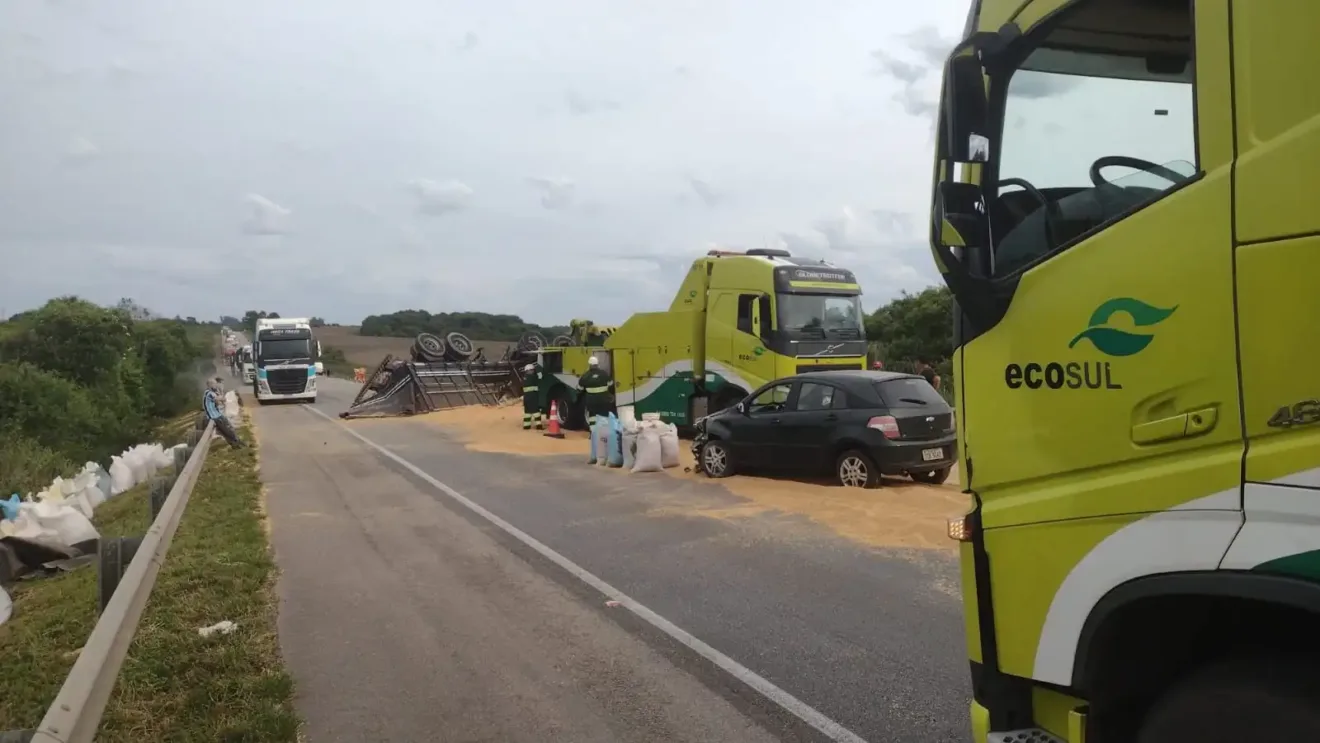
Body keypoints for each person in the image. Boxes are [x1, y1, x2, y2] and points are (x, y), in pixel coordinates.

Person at [203, 378, 244, 448]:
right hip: (214, 416)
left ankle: (235, 442)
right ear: (210, 385)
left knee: (227, 428)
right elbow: (219, 399)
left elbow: (219, 401)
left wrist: (220, 398)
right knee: (227, 428)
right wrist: (221, 397)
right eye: (214, 384)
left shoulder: (211, 392)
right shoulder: (209, 393)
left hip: (217, 415)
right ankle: (236, 442)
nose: (216, 385)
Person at [577, 356, 615, 420]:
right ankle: (604, 429)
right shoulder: (604, 374)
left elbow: (579, 389)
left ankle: (593, 428)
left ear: (589, 365)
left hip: (591, 402)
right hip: (603, 401)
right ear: (597, 364)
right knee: (604, 417)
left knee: (592, 418)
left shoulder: (585, 375)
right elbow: (611, 384)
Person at [521, 363, 545, 430]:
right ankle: (539, 426)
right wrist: (540, 372)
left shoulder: (524, 378)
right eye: (532, 370)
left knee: (527, 412)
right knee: (536, 411)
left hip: (526, 398)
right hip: (533, 396)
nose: (533, 371)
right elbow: (539, 379)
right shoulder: (533, 377)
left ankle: (526, 426)